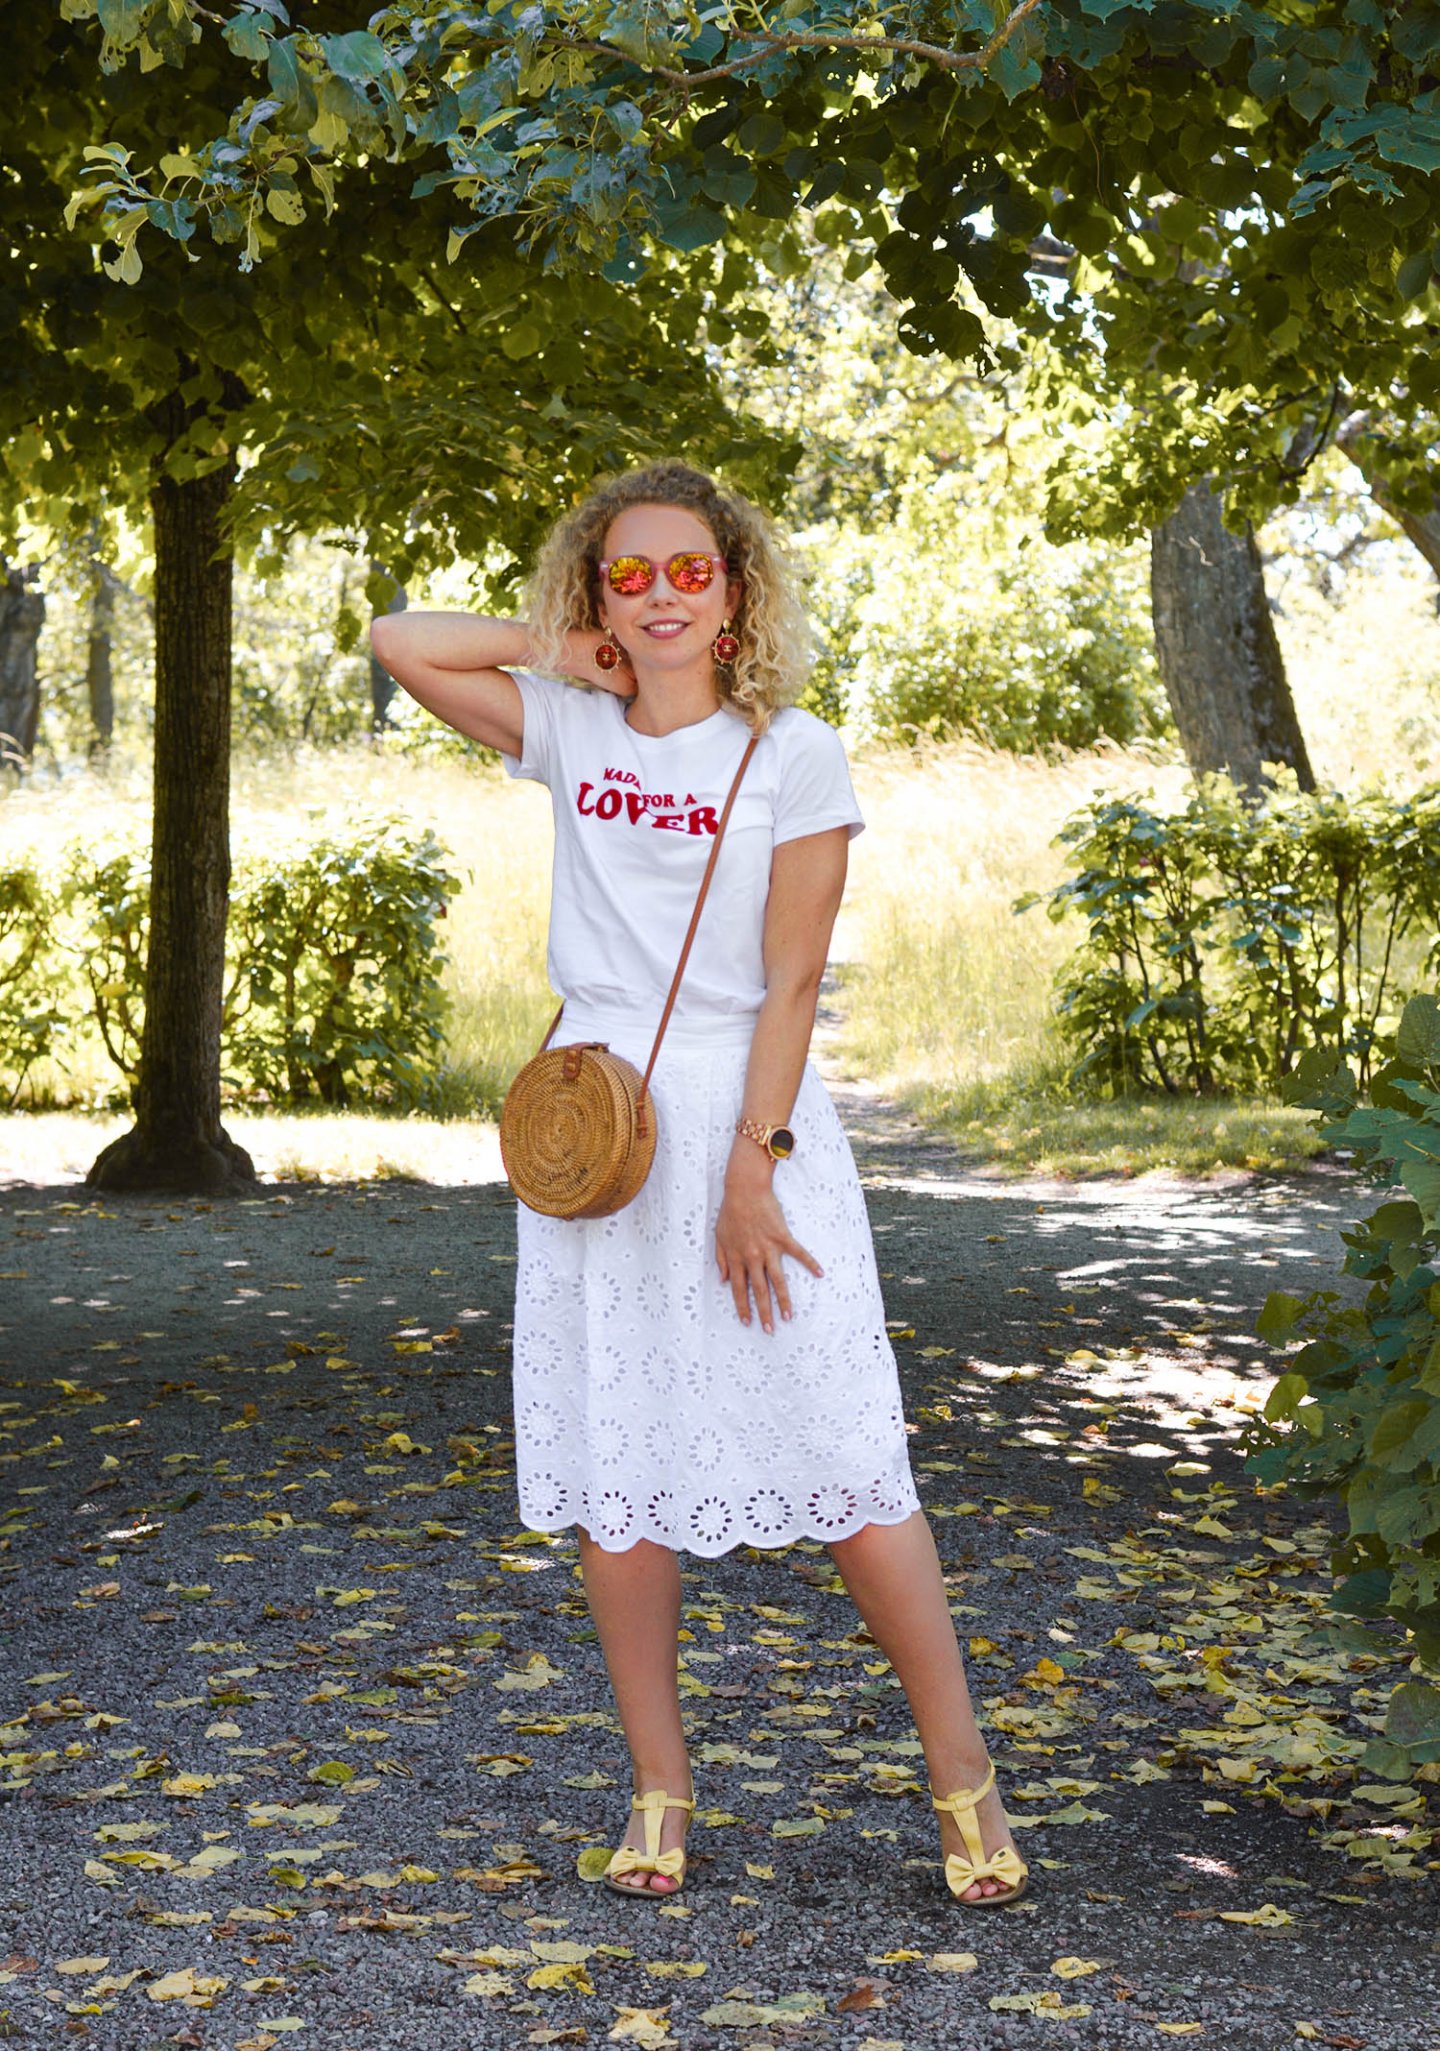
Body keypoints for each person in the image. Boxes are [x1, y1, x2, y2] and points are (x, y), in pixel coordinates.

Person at [370, 461, 1028, 1910]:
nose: (661, 597)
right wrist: (568, 651)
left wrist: (755, 1170)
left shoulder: (795, 753)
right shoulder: (567, 725)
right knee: (622, 1479)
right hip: (597, 1130)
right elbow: (399, 639)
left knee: (851, 1456)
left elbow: (794, 980)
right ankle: (658, 1789)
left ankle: (963, 1776)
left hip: (747, 1115)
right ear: (596, 592)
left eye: (689, 573)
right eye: (629, 575)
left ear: (737, 594)